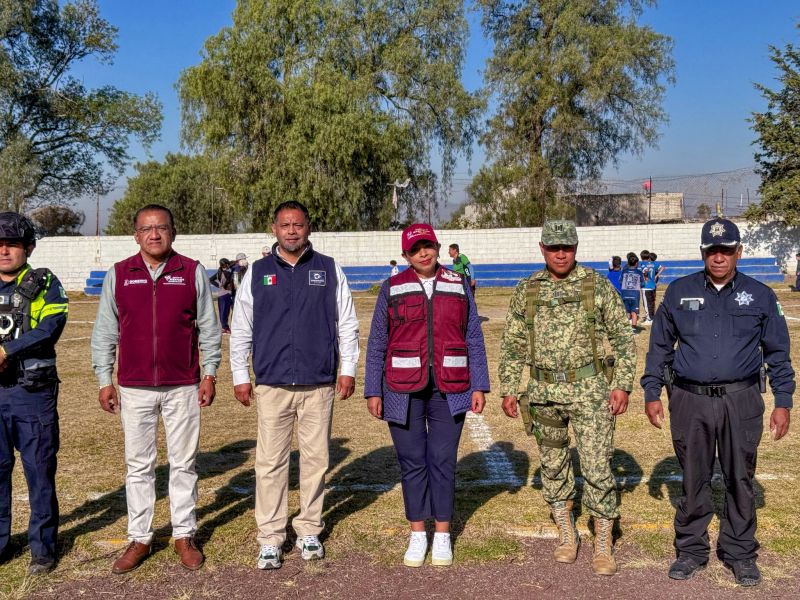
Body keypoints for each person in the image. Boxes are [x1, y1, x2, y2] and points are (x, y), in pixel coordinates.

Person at [641, 218, 794, 587]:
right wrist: (651, 393)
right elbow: (659, 349)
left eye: (726, 250)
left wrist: (783, 401)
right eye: (712, 251)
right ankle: (691, 551)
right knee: (693, 477)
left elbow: (778, 354)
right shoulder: (678, 292)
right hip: (689, 400)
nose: (719, 257)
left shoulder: (760, 295)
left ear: (738, 252)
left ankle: (740, 553)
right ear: (703, 253)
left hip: (740, 400)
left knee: (740, 477)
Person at [498, 220, 635, 576]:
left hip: (589, 392)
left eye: (568, 247)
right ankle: (566, 533)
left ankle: (602, 541)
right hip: (543, 393)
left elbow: (623, 336)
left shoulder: (595, 285)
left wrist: (621, 384)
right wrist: (509, 387)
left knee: (596, 465)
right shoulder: (527, 289)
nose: (561, 254)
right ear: (542, 248)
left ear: (576, 247)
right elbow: (512, 345)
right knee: (553, 464)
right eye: (554, 247)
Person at [91, 204, 221, 574]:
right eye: (147, 229)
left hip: (183, 385)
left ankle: (184, 534)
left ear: (173, 232)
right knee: (139, 466)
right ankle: (141, 537)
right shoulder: (119, 273)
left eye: (161, 228)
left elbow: (209, 328)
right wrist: (105, 379)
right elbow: (105, 331)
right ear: (136, 235)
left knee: (183, 463)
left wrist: (209, 374)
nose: (154, 235)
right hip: (134, 388)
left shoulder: (191, 271)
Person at [230, 200, 359, 570]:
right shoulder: (257, 271)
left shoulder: (329, 269)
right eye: (285, 225)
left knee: (316, 460)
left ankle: (309, 530)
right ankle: (270, 537)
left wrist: (347, 369)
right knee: (270, 463)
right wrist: (241, 376)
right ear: (274, 229)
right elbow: (241, 328)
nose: (291, 231)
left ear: (308, 228)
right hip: (271, 384)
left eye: (298, 225)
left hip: (318, 383)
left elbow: (346, 323)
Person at [365, 224, 489, 568]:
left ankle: (443, 534)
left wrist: (479, 384)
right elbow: (377, 342)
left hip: (451, 387)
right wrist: (373, 389)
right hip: (401, 389)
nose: (423, 253)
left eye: (428, 246)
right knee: (412, 462)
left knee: (443, 461)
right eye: (415, 248)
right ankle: (418, 532)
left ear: (436, 247)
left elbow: (473, 338)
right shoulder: (391, 287)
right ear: (405, 254)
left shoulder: (459, 284)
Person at [0, 213, 68, 575]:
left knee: (39, 472)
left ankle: (42, 547)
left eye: (12, 243)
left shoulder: (45, 283)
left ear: (28, 247)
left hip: (31, 393)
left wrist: (6, 352)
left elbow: (52, 325)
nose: (4, 250)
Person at [620, 253, 645, 330]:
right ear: (636, 263)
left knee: (627, 311)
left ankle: (626, 327)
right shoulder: (639, 272)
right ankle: (633, 327)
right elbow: (642, 284)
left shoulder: (624, 271)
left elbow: (620, 281)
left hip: (624, 293)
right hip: (634, 294)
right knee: (634, 312)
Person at [210, 258, 234, 333]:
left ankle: (225, 327)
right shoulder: (226, 272)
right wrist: (219, 285)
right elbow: (211, 279)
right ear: (226, 264)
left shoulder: (219, 271)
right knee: (224, 312)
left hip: (223, 293)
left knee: (223, 311)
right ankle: (225, 327)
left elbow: (210, 279)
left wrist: (219, 285)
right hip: (225, 294)